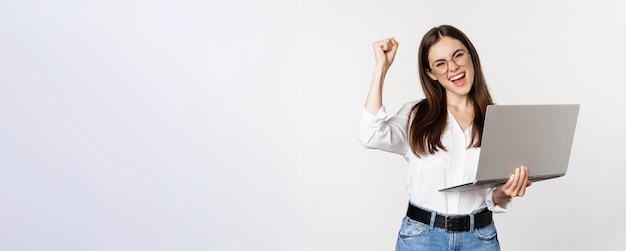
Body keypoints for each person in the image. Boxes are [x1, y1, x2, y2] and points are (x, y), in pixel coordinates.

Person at [358, 25, 532, 251]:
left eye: (458, 55)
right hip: (422, 239)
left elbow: (491, 196)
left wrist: (505, 192)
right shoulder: (415, 116)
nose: (453, 68)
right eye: (441, 63)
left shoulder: (497, 121)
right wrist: (381, 68)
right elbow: (370, 135)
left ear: (471, 55)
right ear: (430, 73)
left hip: (479, 239)